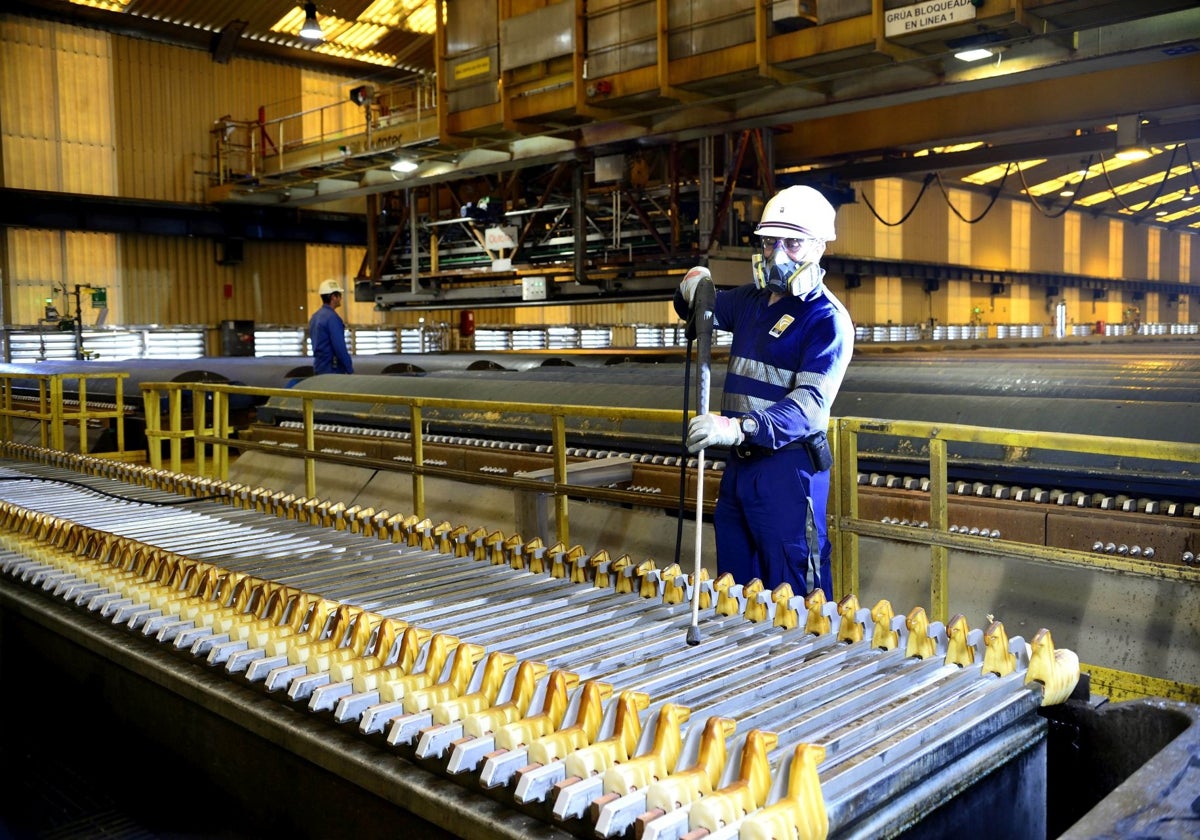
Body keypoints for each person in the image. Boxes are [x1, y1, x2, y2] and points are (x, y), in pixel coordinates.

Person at [675, 185, 854, 600]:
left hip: (788, 472)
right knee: (737, 585)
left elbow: (808, 407)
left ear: (819, 247)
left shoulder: (826, 319)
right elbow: (701, 309)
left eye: (792, 243)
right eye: (771, 242)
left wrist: (738, 427)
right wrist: (690, 287)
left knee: (794, 587)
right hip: (741, 468)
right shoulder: (751, 302)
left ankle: (805, 662)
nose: (778, 254)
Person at [309, 278, 354, 374]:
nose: (341, 298)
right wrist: (349, 368)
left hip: (319, 367)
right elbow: (339, 347)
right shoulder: (332, 318)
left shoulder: (315, 316)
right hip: (333, 369)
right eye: (339, 295)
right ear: (334, 297)